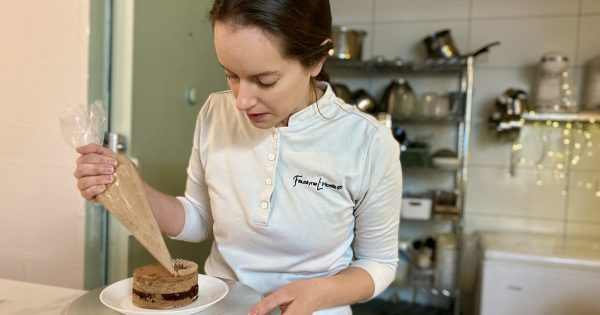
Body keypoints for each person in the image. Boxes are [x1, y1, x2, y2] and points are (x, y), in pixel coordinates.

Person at [74, 0, 402, 314]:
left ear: (316, 60)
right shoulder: (215, 114)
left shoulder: (367, 143)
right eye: (230, 74)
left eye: (264, 80)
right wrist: (127, 184)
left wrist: (319, 293)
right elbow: (198, 218)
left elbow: (379, 263)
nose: (242, 100)